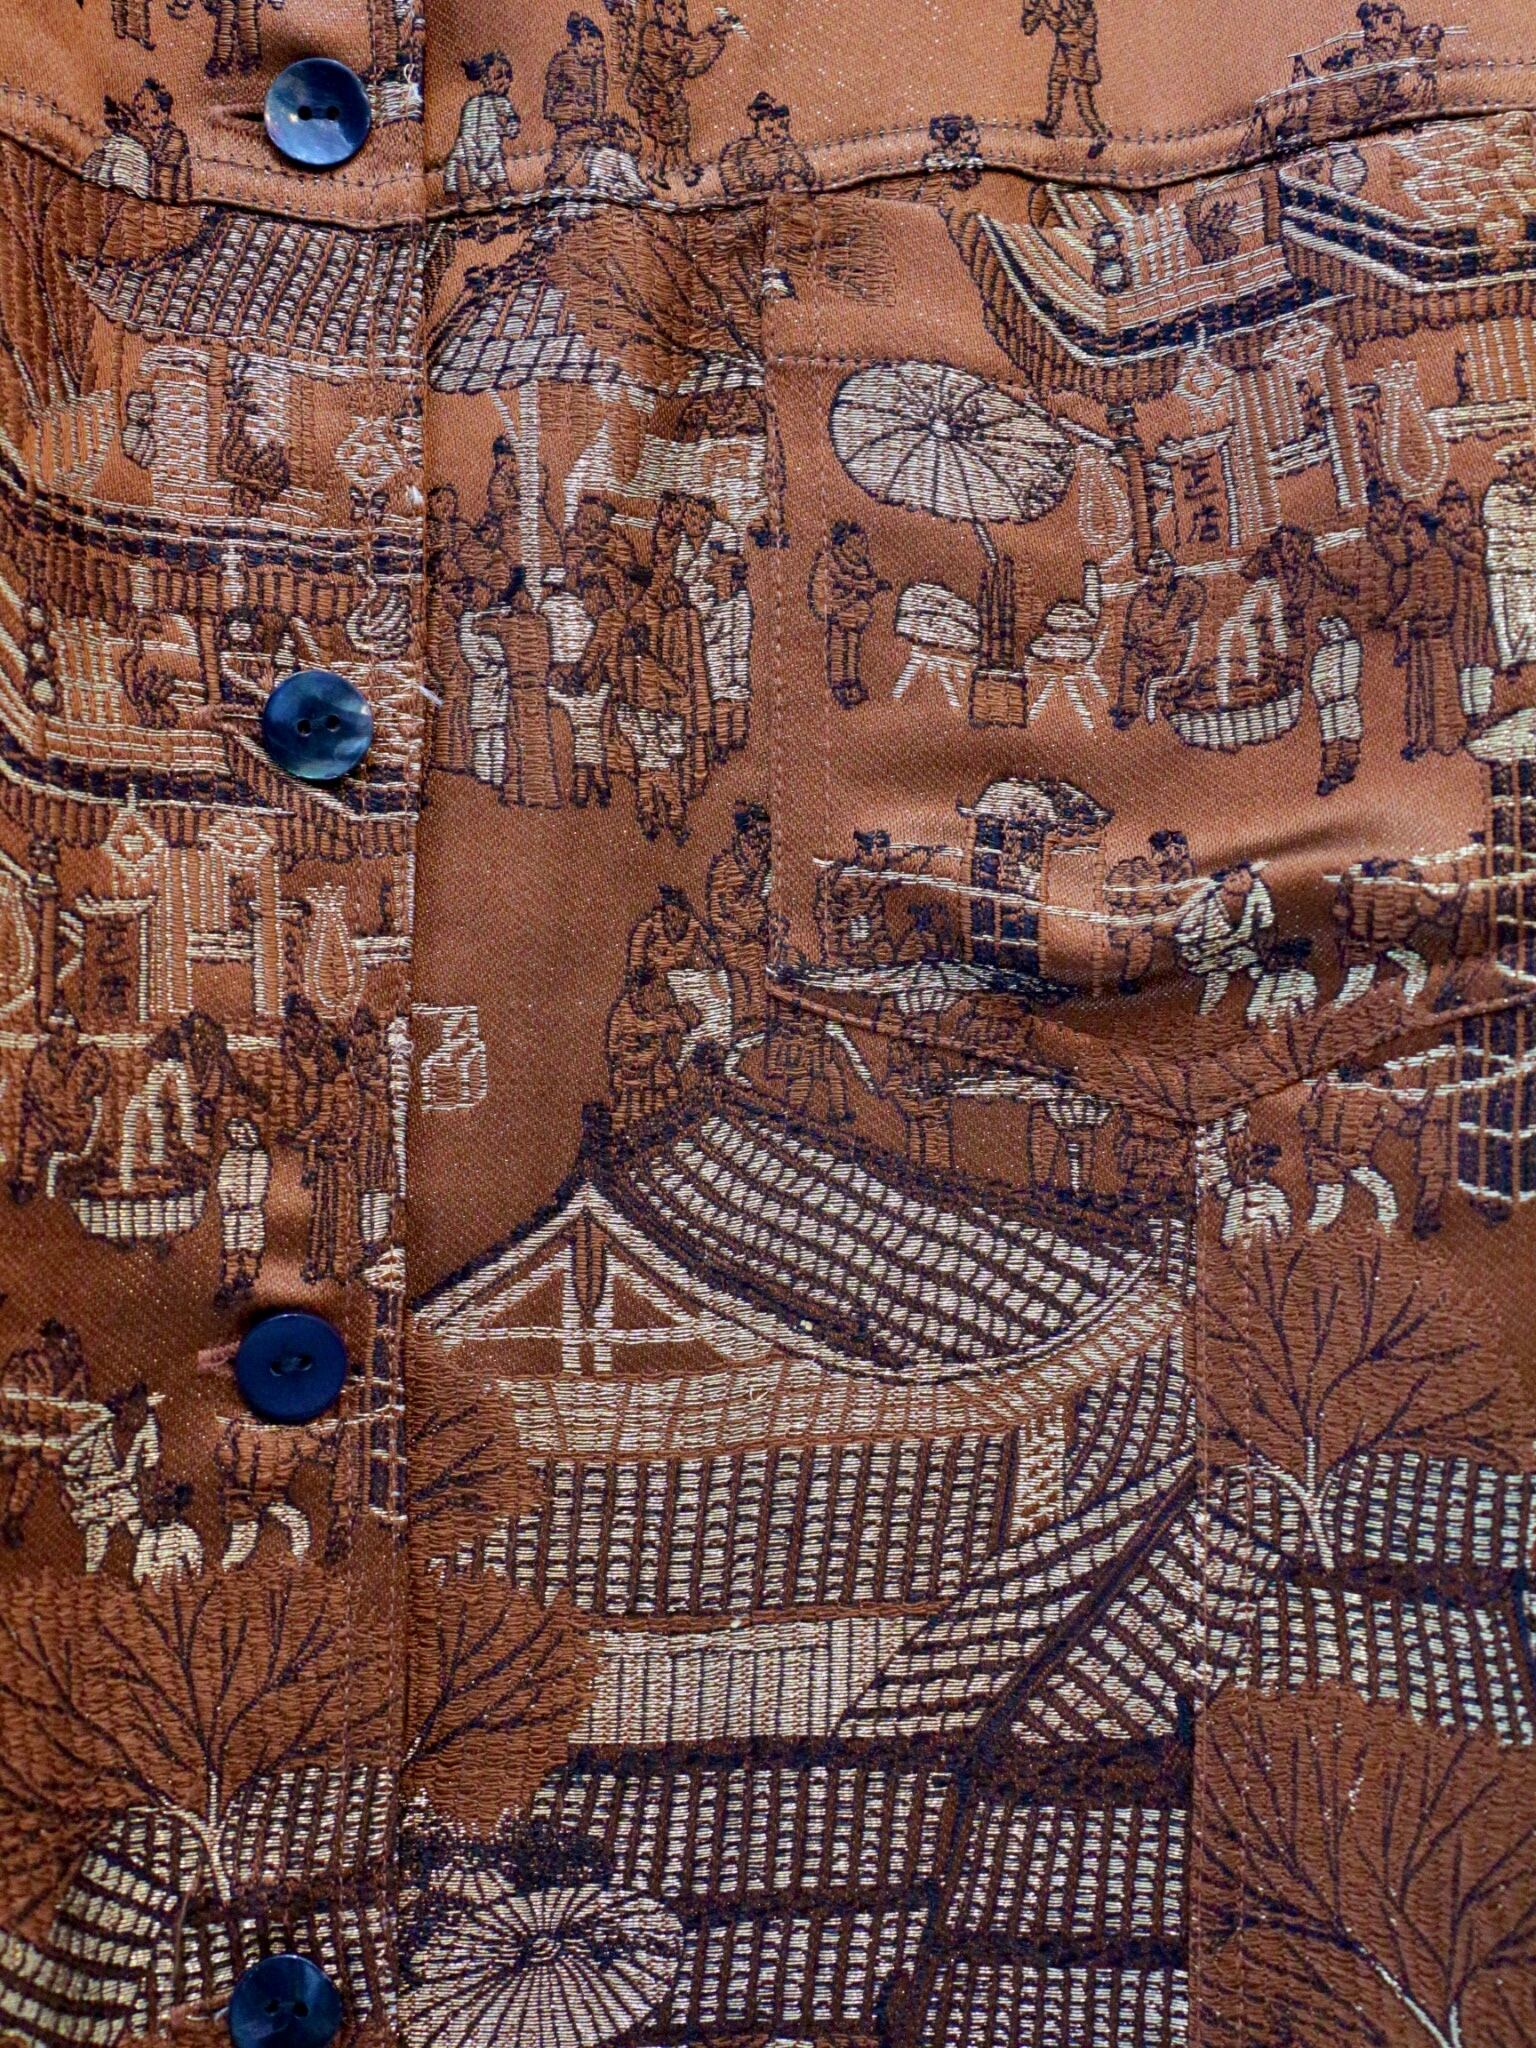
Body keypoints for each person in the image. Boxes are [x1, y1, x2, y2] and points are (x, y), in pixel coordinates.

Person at [480, 568, 561, 808]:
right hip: (537, 688)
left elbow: (480, 625)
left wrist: (499, 607)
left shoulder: (507, 624)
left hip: (520, 688)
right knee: (536, 741)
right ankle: (536, 794)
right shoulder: (542, 623)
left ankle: (519, 793)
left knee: (518, 740)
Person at [1115, 550, 1204, 727]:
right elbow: (1133, 629)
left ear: (1171, 569)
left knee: (1174, 678)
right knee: (1131, 669)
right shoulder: (1142, 597)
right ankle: (1128, 711)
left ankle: (1172, 708)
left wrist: (1156, 632)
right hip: (1144, 653)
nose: (1158, 574)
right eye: (1154, 571)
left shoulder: (1183, 590)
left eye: (1162, 568)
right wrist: (1140, 639)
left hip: (1172, 652)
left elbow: (1172, 623)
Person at [809, 523, 887, 707]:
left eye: (862, 546)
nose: (859, 551)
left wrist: (870, 586)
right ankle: (839, 684)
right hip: (836, 608)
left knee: (851, 645)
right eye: (853, 547)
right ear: (843, 544)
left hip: (852, 612)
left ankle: (851, 681)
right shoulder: (830, 561)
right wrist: (864, 588)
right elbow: (844, 582)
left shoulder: (861, 566)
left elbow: (859, 583)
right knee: (839, 645)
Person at [1022, 0, 1109, 157]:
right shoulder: (1071, 9)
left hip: (1079, 57)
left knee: (1083, 99)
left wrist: (1046, 12)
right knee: (1056, 83)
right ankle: (1051, 122)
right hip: (1065, 50)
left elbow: (1064, 28)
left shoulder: (1084, 14)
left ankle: (1100, 134)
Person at [444, 51, 522, 198]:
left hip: (491, 149)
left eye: (508, 76)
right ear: (485, 79)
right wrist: (473, 154)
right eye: (498, 76)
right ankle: (466, 197)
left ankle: (500, 193)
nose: (505, 81)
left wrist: (509, 129)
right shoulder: (473, 104)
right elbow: (466, 135)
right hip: (470, 150)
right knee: (462, 169)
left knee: (498, 174)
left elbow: (513, 121)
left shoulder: (502, 102)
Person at [543, 13, 609, 184]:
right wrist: (550, 110)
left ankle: (556, 174)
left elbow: (600, 93)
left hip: (586, 116)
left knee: (575, 147)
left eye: (600, 49)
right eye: (592, 46)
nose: (597, 53)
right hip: (565, 115)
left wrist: (598, 115)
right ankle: (555, 174)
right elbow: (552, 87)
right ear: (579, 42)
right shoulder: (563, 60)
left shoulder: (597, 67)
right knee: (574, 143)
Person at [717, 92, 816, 196]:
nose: (776, 134)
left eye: (782, 127)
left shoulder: (789, 151)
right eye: (769, 129)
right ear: (758, 126)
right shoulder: (740, 150)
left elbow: (808, 176)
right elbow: (735, 184)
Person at [1309, 613, 1364, 796]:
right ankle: (1337, 771)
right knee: (1338, 736)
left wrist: (1324, 697)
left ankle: (1342, 767)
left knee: (1342, 735)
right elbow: (1317, 679)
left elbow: (1319, 680)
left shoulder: (1345, 649)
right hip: (1336, 703)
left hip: (1339, 701)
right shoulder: (1341, 650)